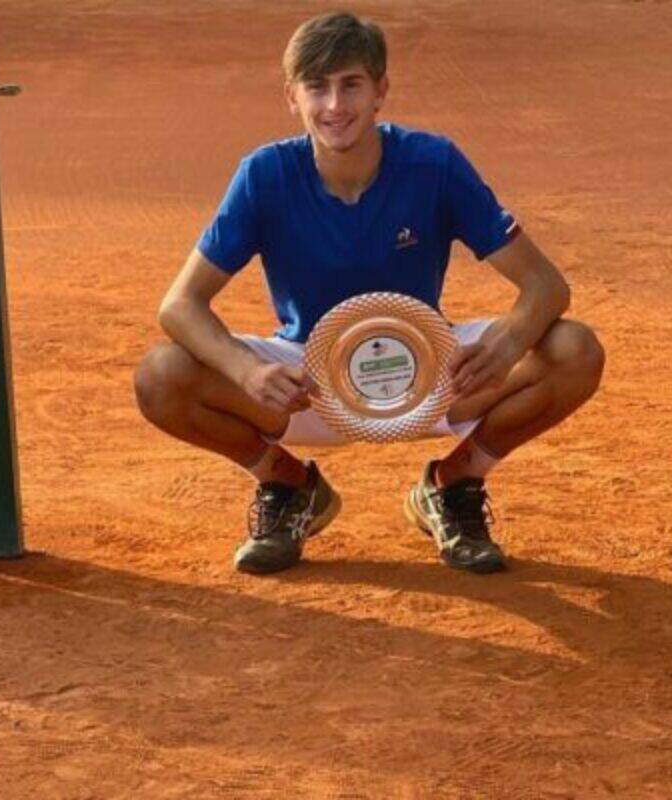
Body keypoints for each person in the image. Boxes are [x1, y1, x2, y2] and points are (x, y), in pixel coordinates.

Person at [133, 11, 604, 575]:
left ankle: (454, 485)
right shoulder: (264, 175)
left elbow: (546, 285)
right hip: (307, 384)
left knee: (574, 352)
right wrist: (247, 371)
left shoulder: (434, 164)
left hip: (430, 379)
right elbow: (178, 305)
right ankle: (286, 486)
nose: (335, 106)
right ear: (292, 97)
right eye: (317, 87)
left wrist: (505, 345)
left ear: (381, 90)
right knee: (161, 377)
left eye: (351, 84)